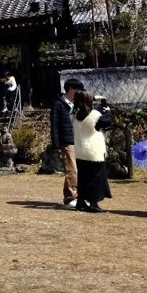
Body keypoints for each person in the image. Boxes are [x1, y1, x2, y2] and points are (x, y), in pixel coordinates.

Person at [71, 91, 113, 212]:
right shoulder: (94, 115)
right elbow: (108, 121)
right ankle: (93, 203)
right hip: (93, 151)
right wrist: (108, 109)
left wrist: (92, 98)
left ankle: (81, 201)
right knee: (96, 178)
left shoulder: (74, 114)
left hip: (80, 150)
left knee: (83, 177)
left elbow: (79, 102)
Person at [51, 78, 84, 208]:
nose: (80, 93)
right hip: (67, 140)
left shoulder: (78, 104)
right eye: (78, 90)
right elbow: (55, 124)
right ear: (71, 89)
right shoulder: (58, 104)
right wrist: (56, 143)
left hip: (79, 139)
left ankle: (72, 196)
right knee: (72, 169)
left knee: (77, 169)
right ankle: (71, 197)